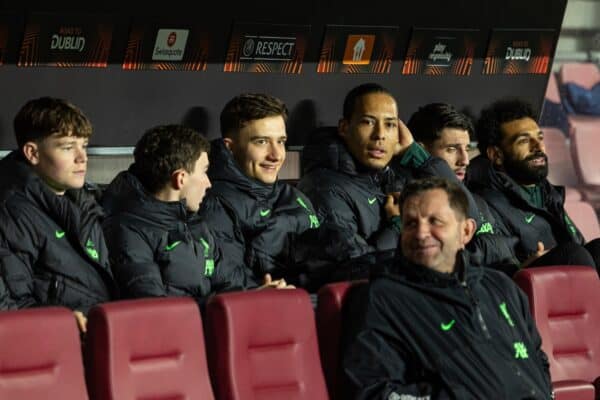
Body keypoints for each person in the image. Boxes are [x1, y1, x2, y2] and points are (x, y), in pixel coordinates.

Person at [343, 177, 553, 399]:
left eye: (436, 222)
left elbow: (537, 359)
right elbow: (376, 392)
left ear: (466, 232)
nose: (421, 233)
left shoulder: (501, 286)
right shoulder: (382, 298)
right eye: (411, 223)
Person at [101, 125, 287, 306]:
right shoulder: (127, 231)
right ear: (180, 178)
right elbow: (155, 310)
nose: (208, 183)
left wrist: (258, 295)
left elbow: (230, 284)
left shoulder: (196, 225)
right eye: (205, 172)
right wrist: (226, 305)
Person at [297, 83, 462, 288]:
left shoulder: (396, 175)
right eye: (368, 122)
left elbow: (466, 218)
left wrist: (415, 153)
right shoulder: (324, 188)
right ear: (345, 128)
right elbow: (354, 269)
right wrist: (396, 226)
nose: (380, 135)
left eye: (390, 125)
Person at [0, 97, 117, 331]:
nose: (82, 157)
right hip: (58, 347)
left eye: (83, 145)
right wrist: (63, 323)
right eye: (67, 147)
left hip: (100, 334)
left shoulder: (83, 200)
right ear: (32, 153)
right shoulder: (11, 213)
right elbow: (10, 309)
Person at [198, 94, 319, 287]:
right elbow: (228, 282)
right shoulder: (214, 203)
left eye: (280, 141)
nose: (276, 155)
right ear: (230, 148)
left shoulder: (296, 197)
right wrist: (261, 293)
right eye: (261, 142)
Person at [468, 98, 600, 273]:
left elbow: (581, 246)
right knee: (573, 254)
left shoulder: (546, 192)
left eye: (539, 138)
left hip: (568, 283)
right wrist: (524, 267)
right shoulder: (483, 202)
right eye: (523, 141)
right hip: (526, 289)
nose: (538, 147)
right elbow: (495, 274)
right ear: (496, 154)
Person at [408, 102, 519, 271]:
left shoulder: (479, 200)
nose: (465, 160)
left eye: (467, 148)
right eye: (452, 149)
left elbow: (506, 258)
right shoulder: (405, 205)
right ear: (422, 151)